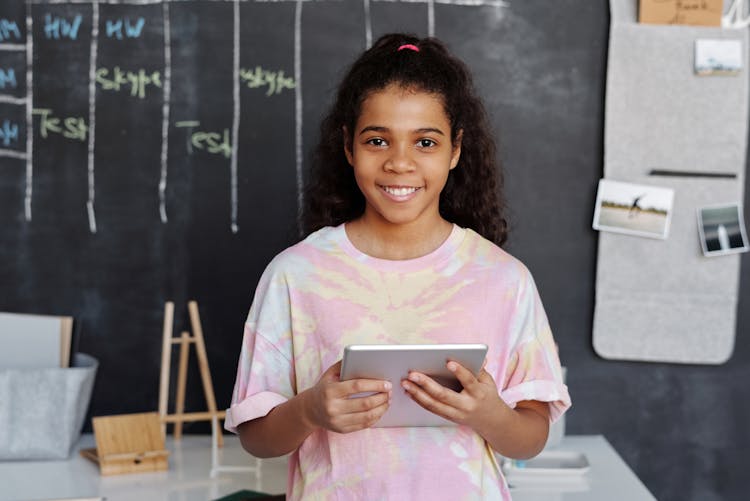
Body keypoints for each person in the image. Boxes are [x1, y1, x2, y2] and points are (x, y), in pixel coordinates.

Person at [225, 33, 571, 500]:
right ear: (348, 146)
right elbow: (256, 438)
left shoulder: (503, 279)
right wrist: (309, 411)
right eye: (377, 140)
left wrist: (488, 414)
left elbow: (531, 437)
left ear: (455, 150)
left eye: (425, 142)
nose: (400, 163)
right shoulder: (296, 275)